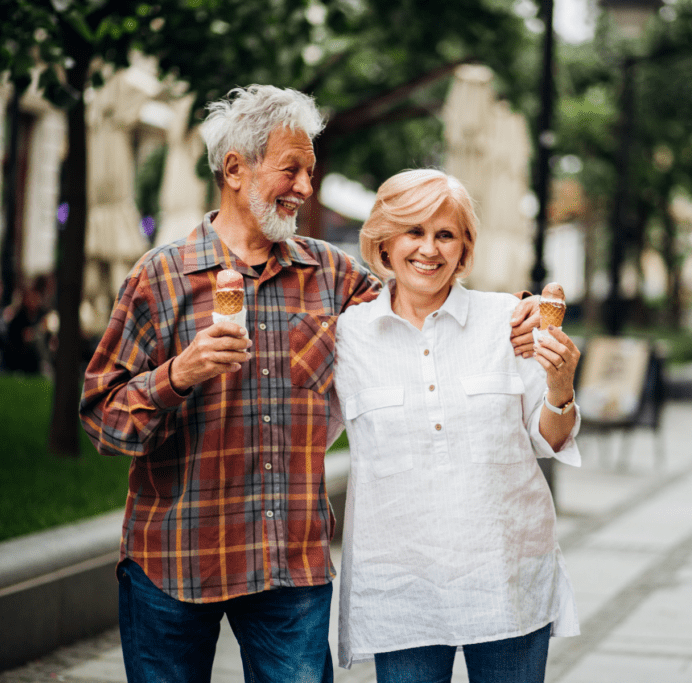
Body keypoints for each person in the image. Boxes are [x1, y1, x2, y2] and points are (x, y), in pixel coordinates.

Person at [79, 86, 540, 683]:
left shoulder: (334, 276)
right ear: (235, 169)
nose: (305, 187)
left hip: (288, 567)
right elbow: (101, 421)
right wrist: (179, 374)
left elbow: (429, 306)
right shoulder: (159, 278)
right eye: (290, 169)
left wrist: (517, 314)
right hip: (176, 558)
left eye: (310, 171)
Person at [333, 169, 581, 683]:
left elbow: (550, 438)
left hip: (504, 575)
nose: (429, 249)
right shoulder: (347, 337)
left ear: (465, 247)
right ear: (383, 241)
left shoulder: (509, 321)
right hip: (400, 584)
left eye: (445, 234)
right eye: (414, 231)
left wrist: (561, 385)